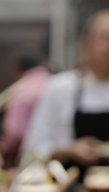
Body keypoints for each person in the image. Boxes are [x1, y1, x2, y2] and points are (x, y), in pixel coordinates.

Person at [23, 10, 109, 173]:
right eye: (104, 38)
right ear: (85, 43)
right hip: (70, 186)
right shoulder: (60, 88)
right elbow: (32, 150)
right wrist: (69, 151)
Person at [0, 56, 50, 166]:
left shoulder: (21, 89)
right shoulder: (53, 82)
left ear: (19, 71)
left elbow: (15, 132)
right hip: (63, 153)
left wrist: (3, 148)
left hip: (33, 155)